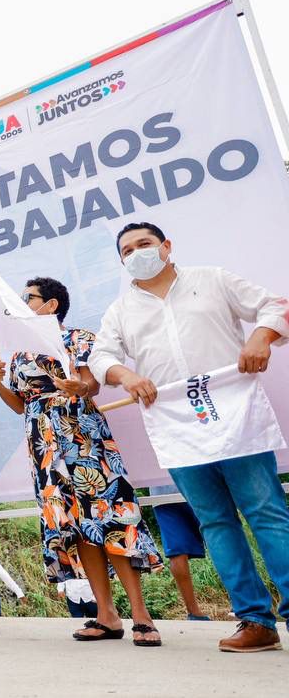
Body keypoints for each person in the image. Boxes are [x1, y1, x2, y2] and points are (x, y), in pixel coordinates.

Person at [89, 221, 289, 653]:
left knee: (267, 512)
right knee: (216, 522)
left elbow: (275, 307)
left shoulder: (212, 280)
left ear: (166, 246)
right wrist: (125, 374)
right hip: (178, 427)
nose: (137, 252)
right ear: (122, 262)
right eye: (127, 250)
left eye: (145, 243)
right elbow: (102, 355)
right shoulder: (121, 310)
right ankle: (255, 620)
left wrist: (261, 336)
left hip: (236, 418)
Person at [0, 275, 164, 645]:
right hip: (44, 448)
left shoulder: (77, 338)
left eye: (28, 298)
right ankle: (106, 615)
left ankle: (142, 616)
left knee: (110, 519)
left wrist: (79, 387)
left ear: (50, 305)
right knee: (78, 528)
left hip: (83, 438)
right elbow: (22, 405)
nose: (22, 303)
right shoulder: (17, 353)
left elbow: (91, 385)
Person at [150, 485, 213, 620]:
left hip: (160, 493)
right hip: (197, 483)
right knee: (221, 539)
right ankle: (241, 605)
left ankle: (194, 613)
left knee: (177, 552)